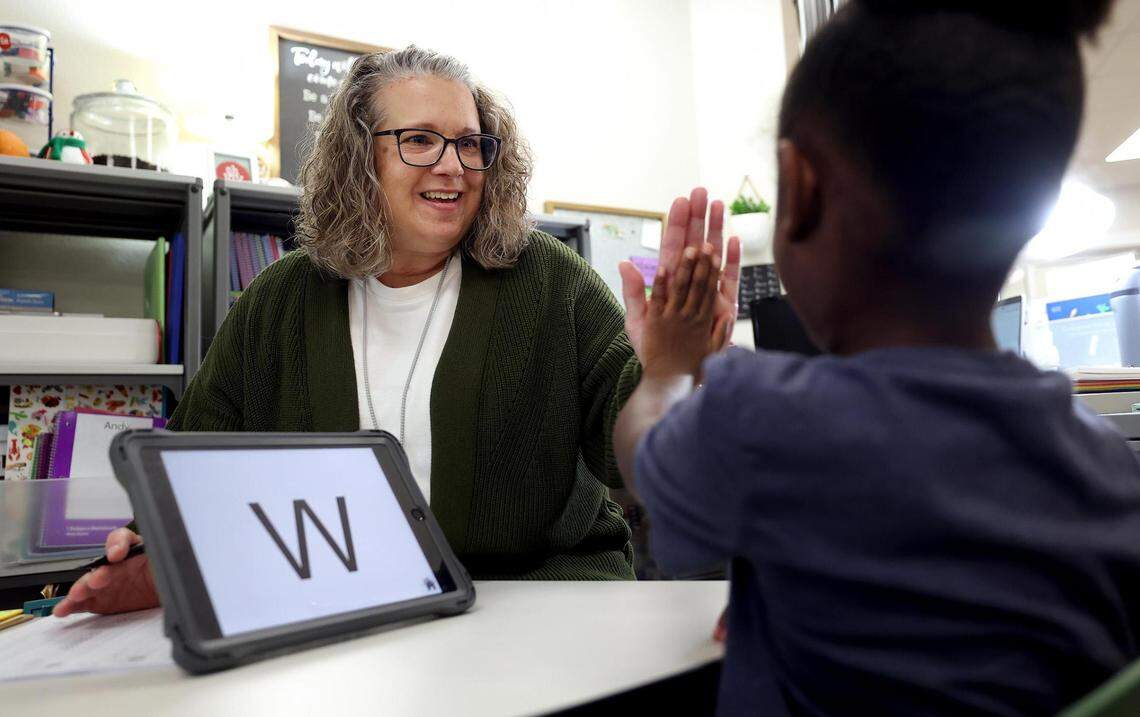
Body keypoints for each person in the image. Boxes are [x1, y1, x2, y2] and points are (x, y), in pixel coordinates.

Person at [53, 45, 742, 618]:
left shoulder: (550, 281)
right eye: (419, 140)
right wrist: (151, 556)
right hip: (339, 613)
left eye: (470, 144)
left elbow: (643, 459)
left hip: (541, 612)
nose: (452, 164)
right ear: (361, 156)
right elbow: (195, 467)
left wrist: (676, 373)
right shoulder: (277, 302)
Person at [615, 0, 1140, 714]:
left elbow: (645, 457)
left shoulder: (765, 418)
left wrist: (670, 364)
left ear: (800, 189)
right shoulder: (1110, 468)